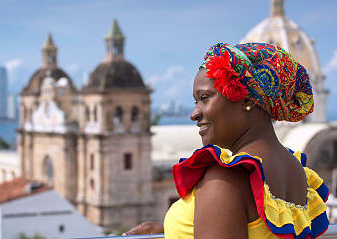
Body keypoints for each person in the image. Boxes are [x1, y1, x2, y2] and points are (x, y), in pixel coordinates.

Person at [124, 43, 329, 238]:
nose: (194, 113)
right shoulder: (296, 171)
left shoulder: (225, 179)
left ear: (248, 99)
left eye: (205, 98)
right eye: (196, 101)